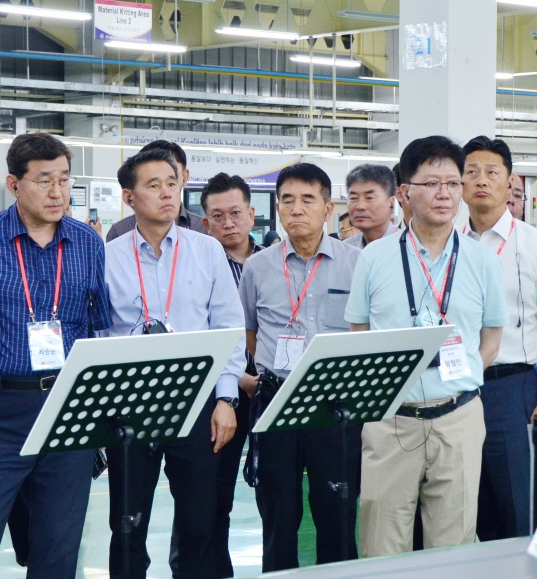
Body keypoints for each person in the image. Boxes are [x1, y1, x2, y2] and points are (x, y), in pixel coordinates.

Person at [346, 135, 508, 557]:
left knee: (453, 543)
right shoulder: (374, 258)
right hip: (391, 421)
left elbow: (491, 337)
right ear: (405, 192)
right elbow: (359, 332)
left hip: (459, 418)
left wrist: (464, 372)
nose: (444, 194)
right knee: (382, 542)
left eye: (453, 184)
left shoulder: (482, 260)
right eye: (432, 183)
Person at [105, 149, 246, 579]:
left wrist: (226, 400)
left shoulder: (206, 251)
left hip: (196, 401)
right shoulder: (107, 256)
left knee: (199, 520)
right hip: (131, 405)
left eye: (172, 183)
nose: (167, 193)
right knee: (128, 523)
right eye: (153, 186)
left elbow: (228, 328)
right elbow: (99, 333)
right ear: (130, 198)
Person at [0, 132, 111, 578]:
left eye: (64, 180)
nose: (57, 192)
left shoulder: (86, 242)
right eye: (44, 181)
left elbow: (98, 325)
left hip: (69, 407)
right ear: (14, 184)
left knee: (59, 545)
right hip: (4, 408)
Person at [239, 163, 361, 571]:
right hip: (276, 399)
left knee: (337, 511)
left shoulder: (356, 263)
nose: (296, 209)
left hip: (335, 403)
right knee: (278, 512)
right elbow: (249, 334)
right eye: (287, 200)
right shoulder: (258, 267)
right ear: (276, 208)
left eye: (308, 200)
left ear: (328, 208)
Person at [461, 136, 537, 541]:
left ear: (510, 183)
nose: (481, 180)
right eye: (471, 172)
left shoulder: (536, 245)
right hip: (458, 390)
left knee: (517, 508)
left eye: (492, 172)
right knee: (469, 510)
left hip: (513, 390)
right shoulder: (450, 244)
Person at [200, 172, 264, 578]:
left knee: (274, 492)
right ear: (205, 223)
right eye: (217, 216)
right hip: (224, 392)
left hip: (271, 390)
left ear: (252, 214)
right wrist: (239, 377)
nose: (228, 223)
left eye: (236, 212)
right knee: (211, 495)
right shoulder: (200, 264)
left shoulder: (273, 260)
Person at [106, 140, 207, 242]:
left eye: (170, 182)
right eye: (154, 185)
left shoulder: (204, 230)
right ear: (128, 197)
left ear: (184, 177)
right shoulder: (120, 231)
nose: (166, 193)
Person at [344, 164, 398, 248]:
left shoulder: (408, 247)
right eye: (353, 198)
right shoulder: (346, 250)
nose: (360, 206)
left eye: (369, 198)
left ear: (391, 203)